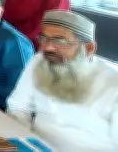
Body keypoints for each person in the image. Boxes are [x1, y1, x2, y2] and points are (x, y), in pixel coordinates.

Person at [7, 10, 118, 151]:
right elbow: (18, 107)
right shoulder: (39, 61)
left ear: (88, 48)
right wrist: (23, 141)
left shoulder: (113, 84)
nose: (47, 47)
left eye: (59, 41)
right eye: (44, 38)